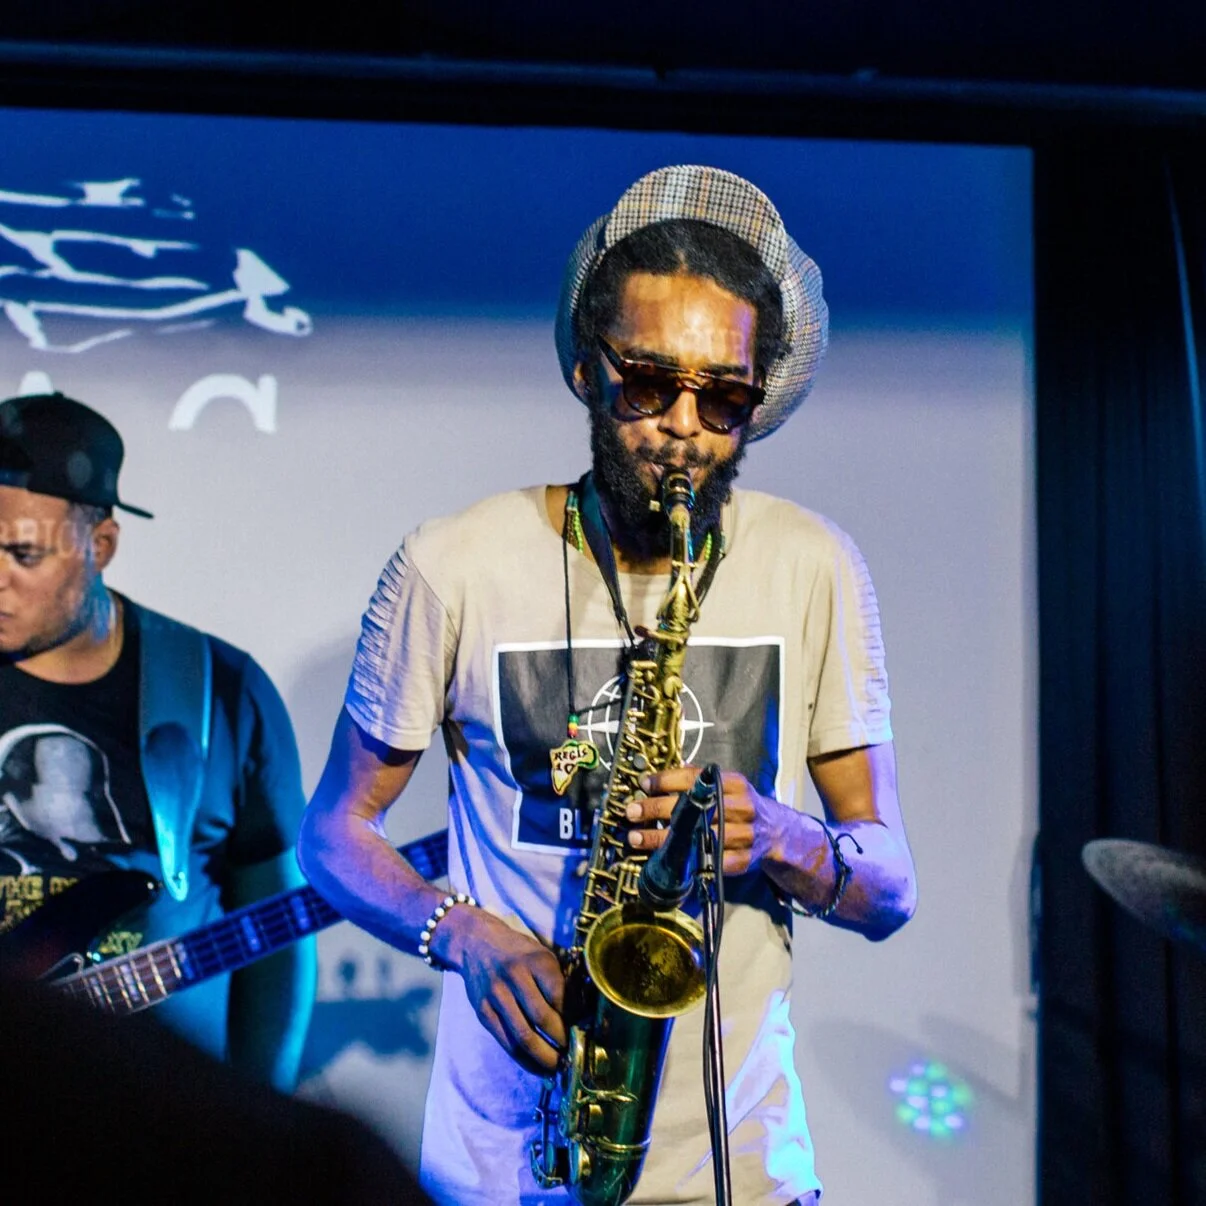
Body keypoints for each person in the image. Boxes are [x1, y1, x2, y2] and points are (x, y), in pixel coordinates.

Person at [298, 165, 918, 1204]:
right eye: (648, 383)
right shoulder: (454, 564)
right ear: (588, 370)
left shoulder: (815, 565)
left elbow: (890, 887)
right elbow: (332, 835)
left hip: (744, 1172)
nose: (683, 425)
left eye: (723, 397)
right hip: (502, 1170)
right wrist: (462, 933)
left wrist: (781, 836)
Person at [0, 391, 315, 1090]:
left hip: (152, 1110)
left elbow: (274, 935)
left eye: (23, 554)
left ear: (101, 546)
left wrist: (257, 1118)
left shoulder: (215, 688)